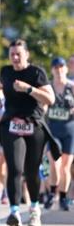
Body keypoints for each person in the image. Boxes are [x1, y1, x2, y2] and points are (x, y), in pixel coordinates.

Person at [0, 39, 55, 226]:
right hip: (11, 125)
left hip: (34, 125)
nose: (15, 58)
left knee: (31, 171)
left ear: (27, 55)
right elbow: (2, 86)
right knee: (14, 168)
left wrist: (28, 89)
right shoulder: (6, 71)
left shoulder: (36, 73)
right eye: (12, 54)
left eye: (18, 54)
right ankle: (14, 212)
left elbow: (50, 99)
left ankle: (35, 209)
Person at [44, 56, 73, 212]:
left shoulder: (72, 87)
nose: (59, 70)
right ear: (52, 70)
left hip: (69, 131)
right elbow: (42, 106)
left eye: (61, 67)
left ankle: (63, 197)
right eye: (55, 68)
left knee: (65, 167)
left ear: (66, 69)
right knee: (55, 163)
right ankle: (51, 193)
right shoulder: (48, 87)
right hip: (53, 130)